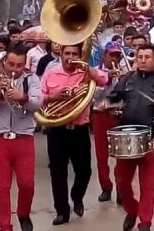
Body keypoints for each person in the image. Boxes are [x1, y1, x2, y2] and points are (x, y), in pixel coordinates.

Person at [102, 44, 154, 231]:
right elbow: (112, 97)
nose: (142, 60)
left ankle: (145, 222)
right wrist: (108, 104)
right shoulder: (127, 80)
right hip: (127, 137)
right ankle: (132, 209)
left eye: (147, 57)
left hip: (150, 137)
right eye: (139, 57)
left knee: (148, 184)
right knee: (122, 181)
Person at [41, 43, 109, 225]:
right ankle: (62, 211)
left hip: (79, 128)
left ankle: (77, 196)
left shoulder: (85, 72)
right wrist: (55, 97)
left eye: (74, 53)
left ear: (79, 55)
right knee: (58, 172)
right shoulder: (51, 73)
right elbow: (39, 98)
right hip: (57, 129)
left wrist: (90, 71)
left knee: (84, 171)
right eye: (67, 53)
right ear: (60, 54)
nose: (70, 57)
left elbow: (104, 80)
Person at [0, 45, 43, 231]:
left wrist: (23, 97)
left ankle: (23, 213)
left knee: (27, 184)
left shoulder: (31, 79)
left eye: (19, 65)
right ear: (4, 62)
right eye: (11, 64)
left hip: (23, 137)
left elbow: (38, 103)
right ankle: (5, 226)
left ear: (25, 64)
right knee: (1, 187)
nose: (14, 70)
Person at [92, 42, 124, 203]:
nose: (115, 58)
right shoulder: (95, 72)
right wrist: (106, 80)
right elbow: (92, 98)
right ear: (104, 55)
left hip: (117, 114)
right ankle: (106, 187)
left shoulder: (124, 72)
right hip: (100, 115)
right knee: (101, 155)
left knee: (121, 154)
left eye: (117, 55)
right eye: (111, 55)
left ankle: (121, 188)